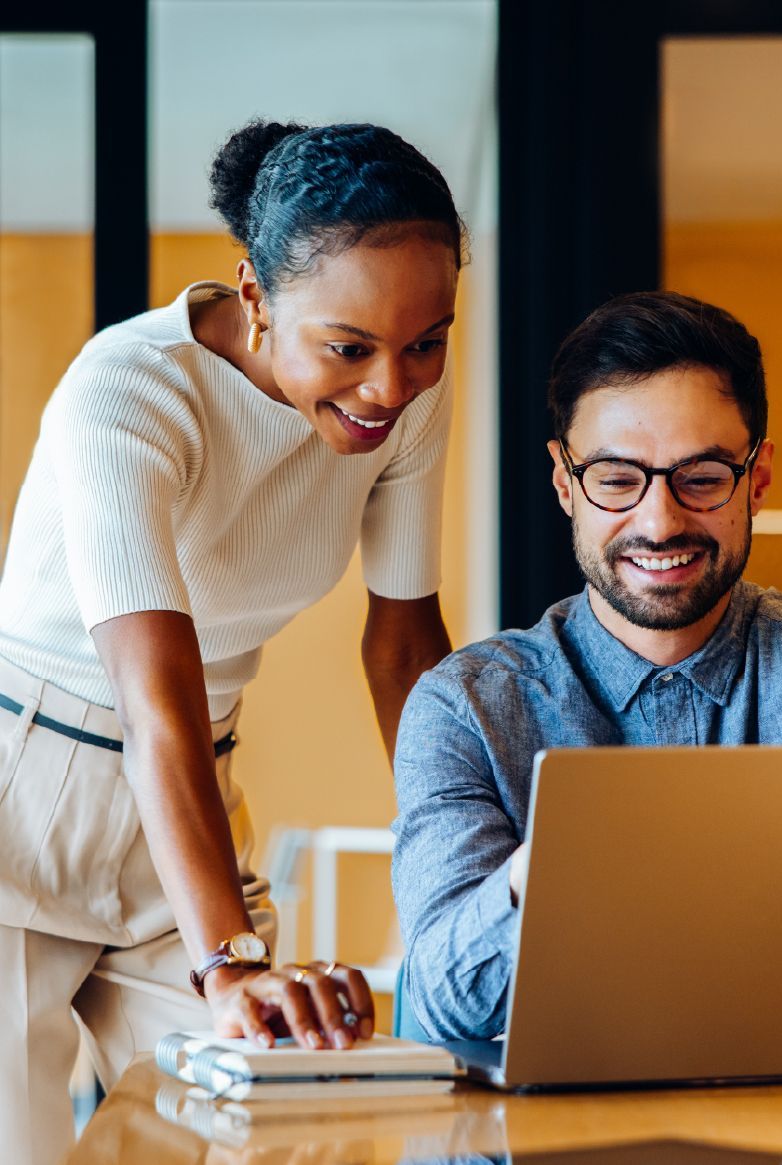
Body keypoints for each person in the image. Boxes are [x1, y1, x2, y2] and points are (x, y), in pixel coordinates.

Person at [0, 119, 464, 1163]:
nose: (390, 386)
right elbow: (150, 691)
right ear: (254, 296)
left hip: (191, 801)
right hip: (22, 799)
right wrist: (232, 957)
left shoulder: (401, 409)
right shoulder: (126, 389)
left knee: (252, 1135)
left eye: (426, 341)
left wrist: (460, 874)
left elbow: (403, 651)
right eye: (348, 348)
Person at [392, 290, 782, 1042]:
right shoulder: (464, 706)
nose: (659, 520)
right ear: (563, 483)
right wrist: (558, 864)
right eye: (614, 479)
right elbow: (448, 999)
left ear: (757, 479)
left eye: (701, 477)